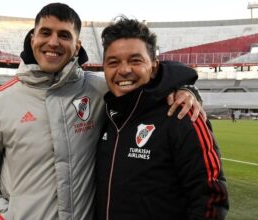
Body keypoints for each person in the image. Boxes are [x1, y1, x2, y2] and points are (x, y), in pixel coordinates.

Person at [0, 3, 204, 220]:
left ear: (77, 46)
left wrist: (185, 87)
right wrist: (6, 216)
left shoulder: (99, 89)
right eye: (45, 33)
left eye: (64, 35)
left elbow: (147, 78)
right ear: (32, 38)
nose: (53, 42)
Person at [95, 17, 229, 220]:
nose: (124, 70)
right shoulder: (105, 113)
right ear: (104, 68)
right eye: (113, 62)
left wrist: (187, 88)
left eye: (135, 60)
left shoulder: (181, 114)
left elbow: (211, 198)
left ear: (154, 66)